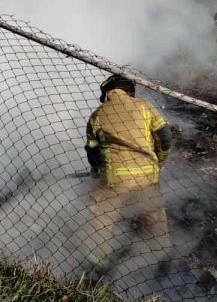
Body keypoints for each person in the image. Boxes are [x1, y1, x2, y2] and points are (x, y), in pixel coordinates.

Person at [82, 74, 173, 279]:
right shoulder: (144, 106)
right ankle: (163, 258)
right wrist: (160, 161)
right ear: (130, 91)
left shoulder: (97, 115)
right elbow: (166, 138)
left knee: (101, 214)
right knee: (154, 214)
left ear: (108, 93)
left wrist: (96, 171)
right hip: (148, 175)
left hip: (115, 178)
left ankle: (97, 266)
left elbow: (93, 151)